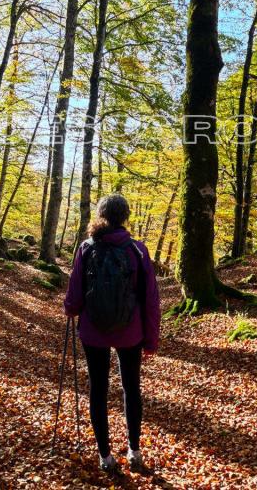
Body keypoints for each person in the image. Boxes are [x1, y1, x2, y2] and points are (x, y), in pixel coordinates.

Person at [64, 193, 161, 473]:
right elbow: (151, 299)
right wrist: (151, 339)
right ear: (125, 217)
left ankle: (105, 456)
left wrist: (71, 308)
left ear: (101, 215)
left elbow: (74, 294)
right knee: (131, 388)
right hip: (130, 333)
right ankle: (134, 450)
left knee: (98, 389)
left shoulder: (86, 248)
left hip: (93, 333)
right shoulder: (138, 250)